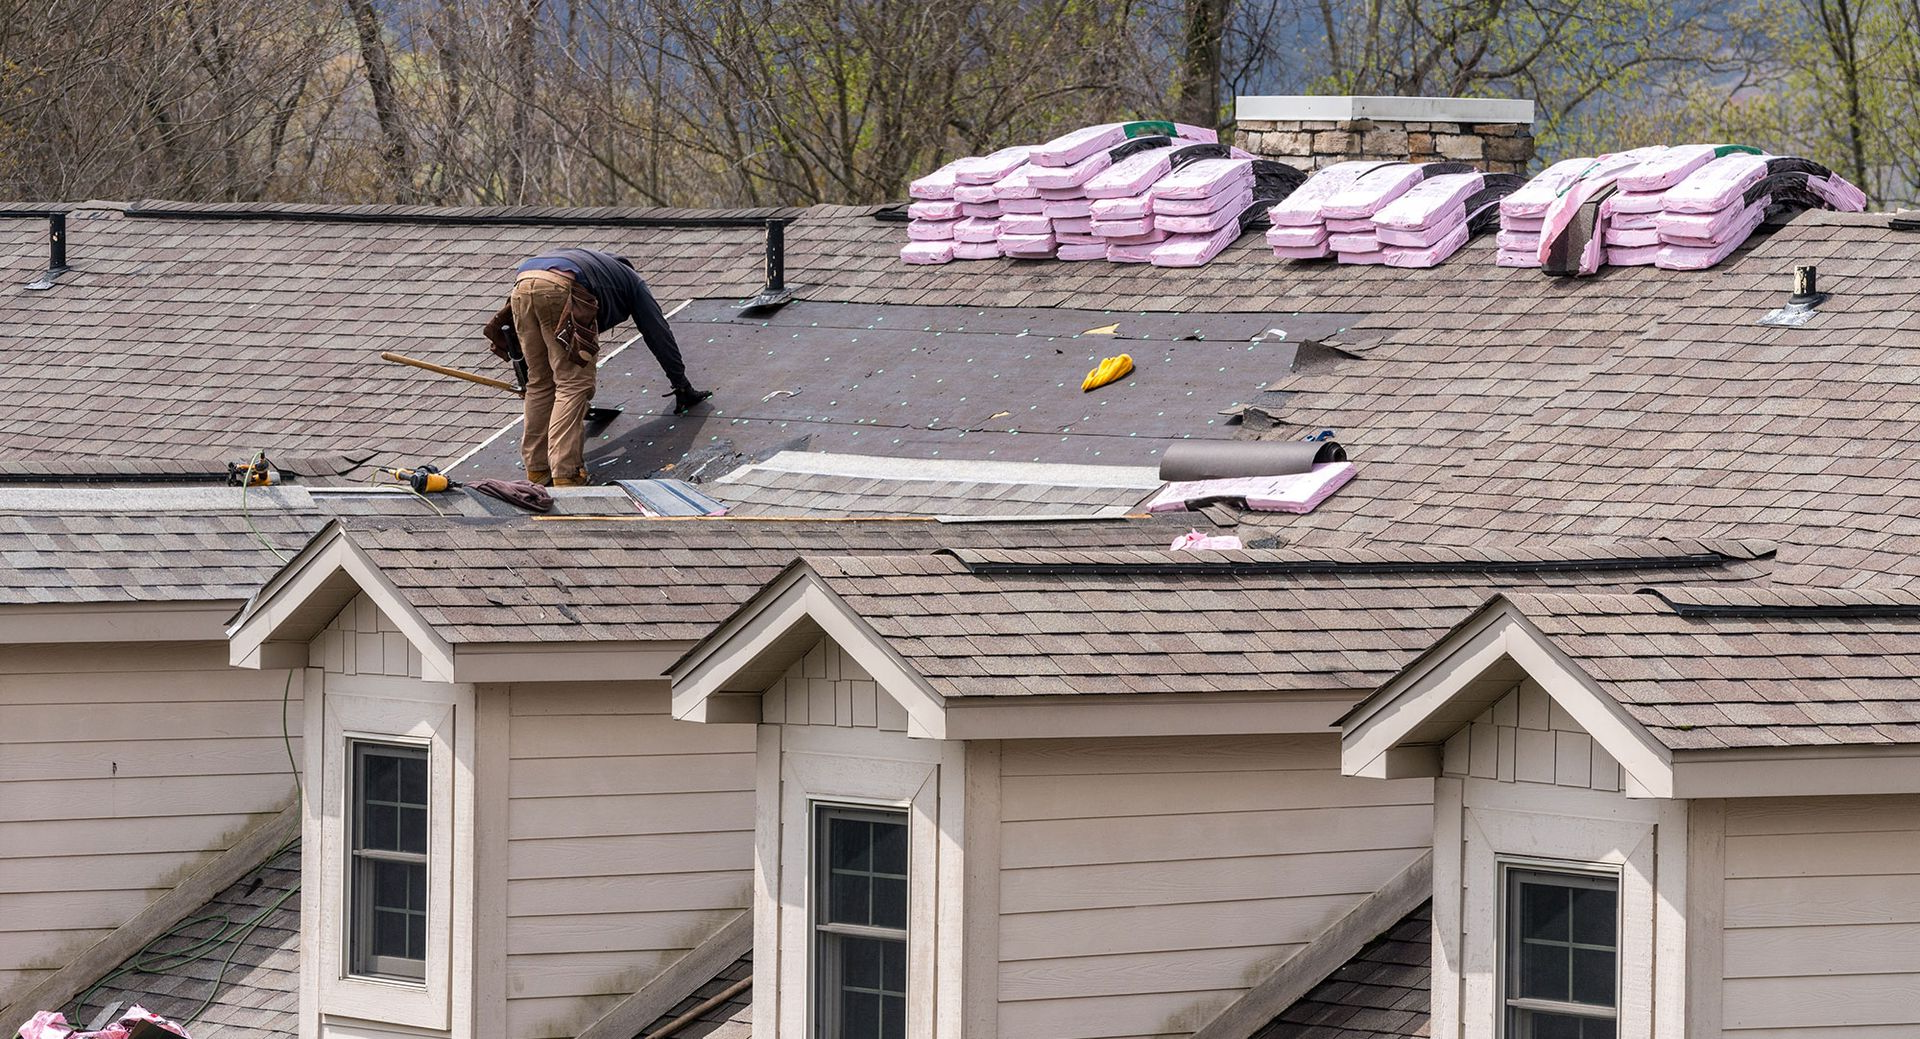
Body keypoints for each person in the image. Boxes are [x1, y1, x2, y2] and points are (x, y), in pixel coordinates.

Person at [484, 248, 711, 487]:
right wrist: (681, 383)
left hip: (522, 284)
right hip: (560, 288)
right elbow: (658, 333)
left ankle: (538, 469)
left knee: (539, 382)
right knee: (573, 384)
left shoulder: (596, 269)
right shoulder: (632, 283)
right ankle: (566, 472)